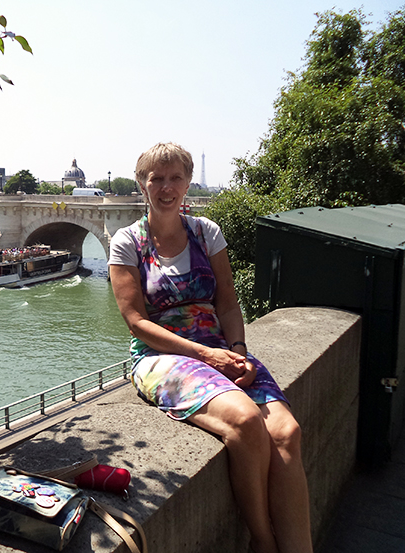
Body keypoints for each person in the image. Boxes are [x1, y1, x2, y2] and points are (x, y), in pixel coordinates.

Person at [108, 143, 313, 553]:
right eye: (157, 178)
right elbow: (137, 323)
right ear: (142, 184)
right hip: (161, 357)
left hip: (220, 347)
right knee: (244, 420)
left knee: (286, 432)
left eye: (175, 177)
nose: (166, 187)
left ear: (187, 182)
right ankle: (263, 540)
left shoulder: (207, 232)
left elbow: (227, 303)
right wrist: (206, 355)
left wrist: (237, 348)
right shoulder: (128, 242)